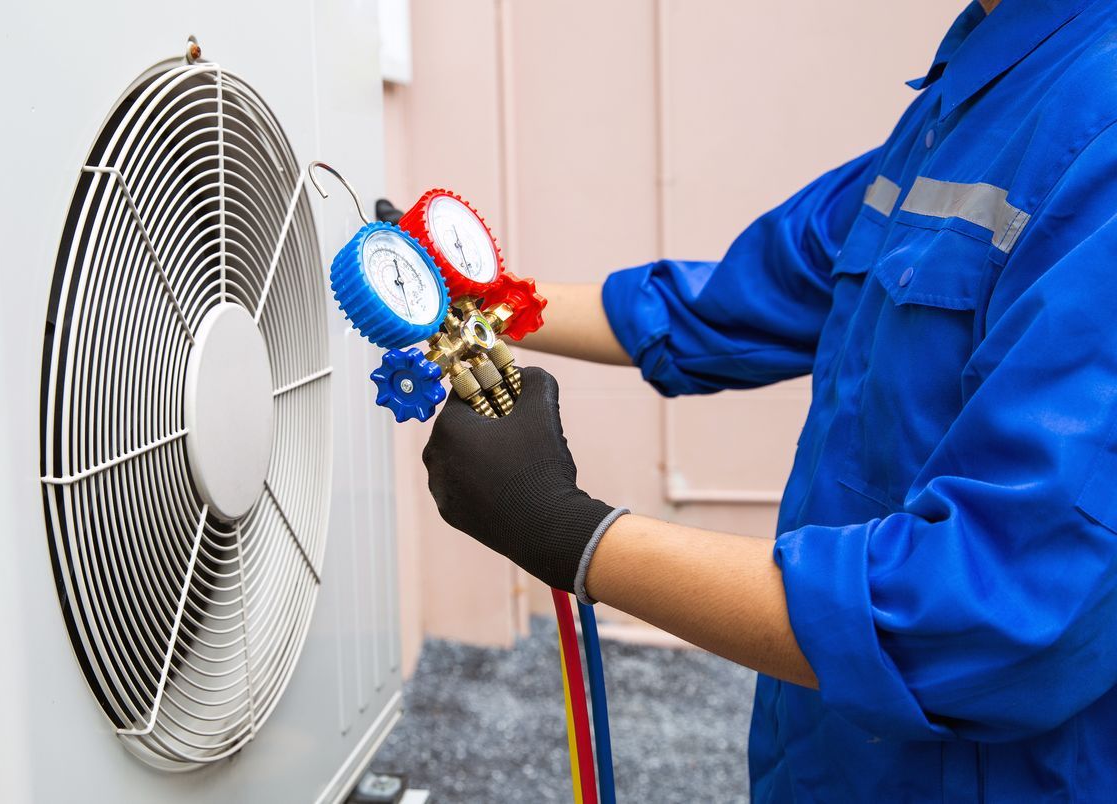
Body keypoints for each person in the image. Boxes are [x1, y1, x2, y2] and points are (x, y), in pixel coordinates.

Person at [422, 1, 1117, 799]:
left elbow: (996, 609)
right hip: (827, 747)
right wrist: (468, 298)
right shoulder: (968, 92)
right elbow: (733, 301)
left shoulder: (1097, 125)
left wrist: (564, 529)